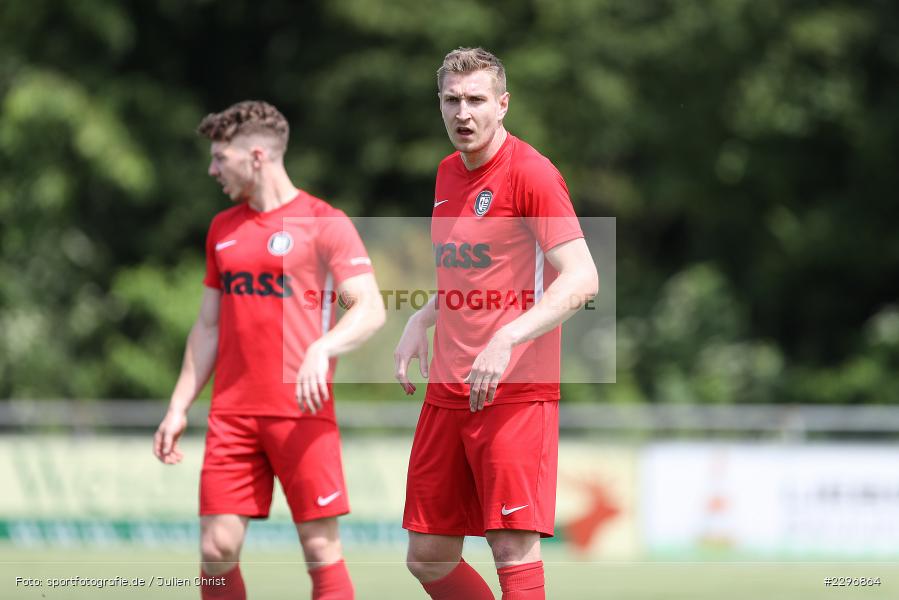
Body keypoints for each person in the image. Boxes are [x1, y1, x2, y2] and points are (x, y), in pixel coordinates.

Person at [153, 100, 385, 600]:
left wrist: (324, 347)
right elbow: (207, 327)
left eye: (221, 158)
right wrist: (178, 406)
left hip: (302, 413)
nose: (213, 170)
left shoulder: (324, 222)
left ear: (256, 156)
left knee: (320, 549)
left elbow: (370, 307)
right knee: (216, 548)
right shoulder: (222, 229)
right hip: (232, 415)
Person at [394, 48, 599, 600]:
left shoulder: (531, 173)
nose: (463, 113)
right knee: (428, 556)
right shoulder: (446, 173)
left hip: (513, 393)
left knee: (511, 549)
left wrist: (507, 336)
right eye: (452, 100)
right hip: (448, 391)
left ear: (503, 104)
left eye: (476, 100)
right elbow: (469, 272)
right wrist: (422, 316)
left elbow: (582, 278)